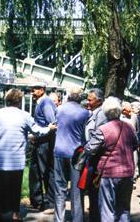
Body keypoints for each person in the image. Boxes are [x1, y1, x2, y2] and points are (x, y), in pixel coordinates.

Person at [0, 88, 56, 221]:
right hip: (16, 159)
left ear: (7, 100)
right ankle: (15, 214)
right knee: (15, 187)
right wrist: (49, 128)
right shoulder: (24, 115)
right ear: (19, 101)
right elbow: (37, 131)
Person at [84, 97, 137, 222]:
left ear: (105, 112)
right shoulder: (129, 127)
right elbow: (135, 145)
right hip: (128, 172)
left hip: (109, 173)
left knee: (107, 209)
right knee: (124, 208)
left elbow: (90, 149)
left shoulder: (103, 129)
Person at [54, 87, 90, 222]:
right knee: (76, 189)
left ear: (68, 96)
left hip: (59, 151)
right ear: (81, 97)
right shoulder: (85, 113)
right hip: (76, 153)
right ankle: (77, 218)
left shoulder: (59, 109)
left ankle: (59, 218)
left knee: (59, 188)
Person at [29, 82, 57, 213]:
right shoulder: (42, 102)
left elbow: (52, 124)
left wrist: (39, 136)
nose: (31, 92)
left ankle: (50, 203)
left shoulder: (46, 102)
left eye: (34, 89)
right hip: (41, 141)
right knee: (36, 171)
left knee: (45, 171)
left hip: (45, 143)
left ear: (42, 90)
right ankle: (38, 201)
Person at [84, 88, 107, 222]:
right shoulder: (94, 112)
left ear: (98, 101)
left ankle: (96, 218)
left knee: (95, 191)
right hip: (92, 155)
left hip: (96, 157)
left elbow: (99, 137)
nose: (87, 102)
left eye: (90, 100)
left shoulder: (101, 114)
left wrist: (88, 149)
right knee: (93, 192)